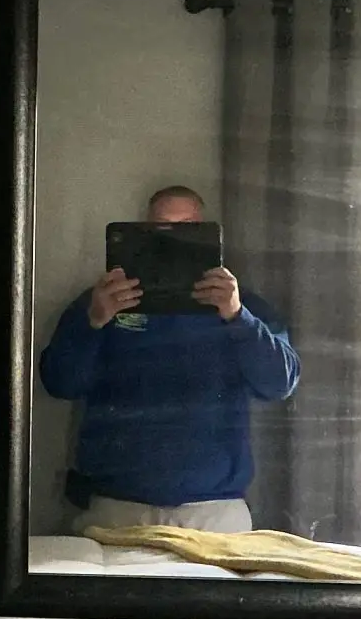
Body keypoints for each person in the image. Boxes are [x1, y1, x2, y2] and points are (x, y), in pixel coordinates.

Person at [38, 184, 299, 533]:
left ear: (208, 235)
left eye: (189, 228)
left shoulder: (241, 304)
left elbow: (280, 383)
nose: (175, 239)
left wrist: (237, 317)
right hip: (116, 505)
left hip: (214, 508)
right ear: (143, 231)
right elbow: (59, 383)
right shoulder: (103, 301)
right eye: (162, 228)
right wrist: (94, 321)